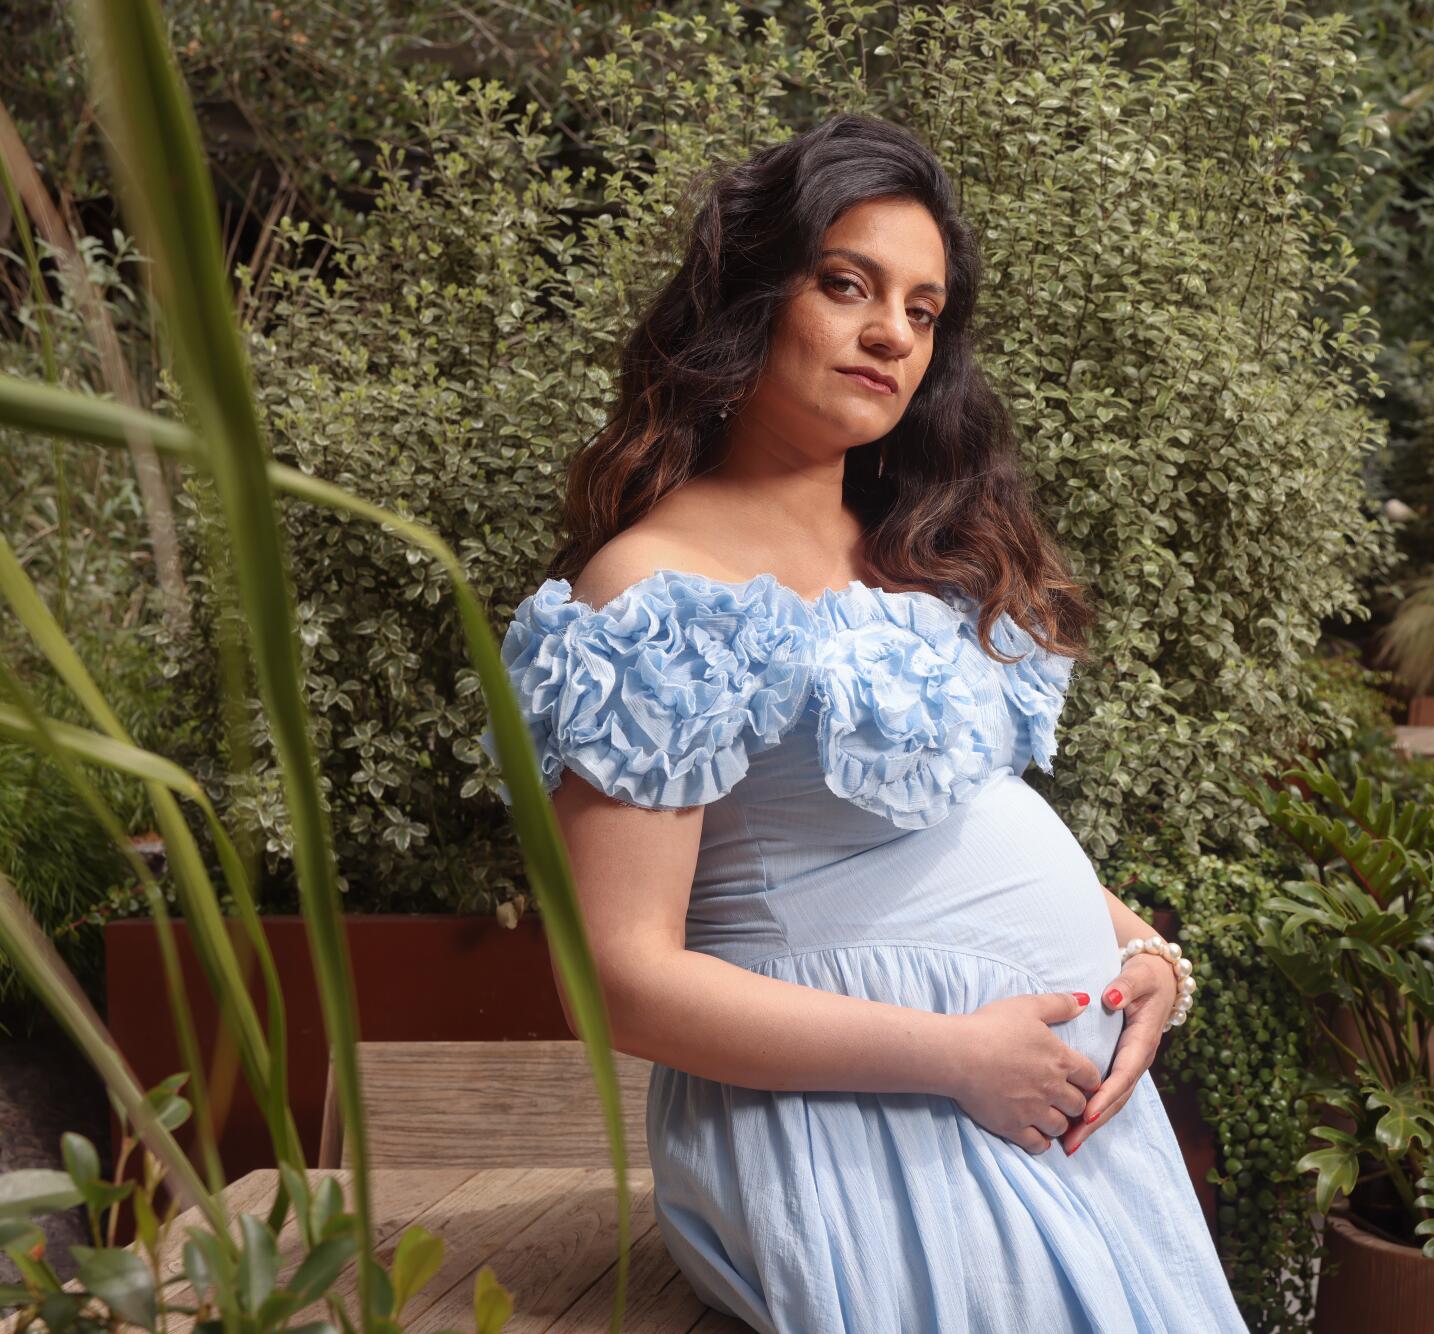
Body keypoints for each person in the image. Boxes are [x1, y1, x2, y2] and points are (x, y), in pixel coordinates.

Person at [480, 111, 1247, 1334]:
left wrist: (1142, 955)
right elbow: (616, 980)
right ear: (755, 298)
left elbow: (952, 821)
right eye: (848, 285)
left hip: (1041, 1102)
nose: (890, 331)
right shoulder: (659, 590)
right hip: (866, 1114)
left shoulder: (918, 551)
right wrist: (952, 1055)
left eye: (922, 309)